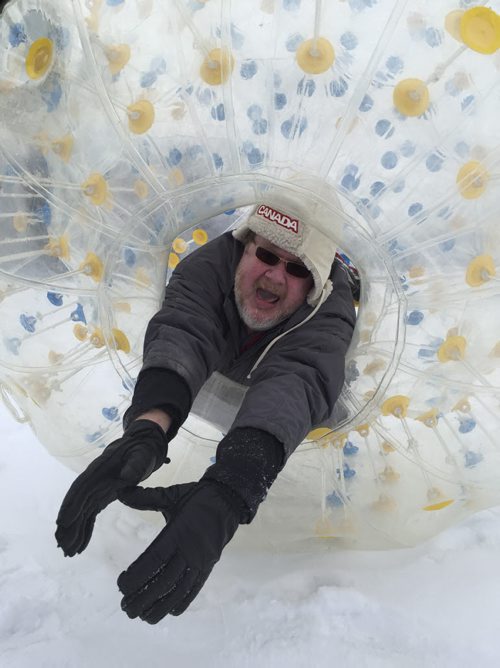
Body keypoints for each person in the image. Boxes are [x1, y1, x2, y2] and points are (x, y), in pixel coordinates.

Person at [55, 197, 357, 623]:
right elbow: (186, 330)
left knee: (323, 406)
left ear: (315, 285)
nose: (274, 274)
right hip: (225, 358)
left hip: (292, 382)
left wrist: (231, 490)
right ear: (244, 246)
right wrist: (148, 429)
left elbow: (298, 379)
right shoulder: (209, 265)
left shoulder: (329, 311)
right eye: (267, 255)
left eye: (297, 269)